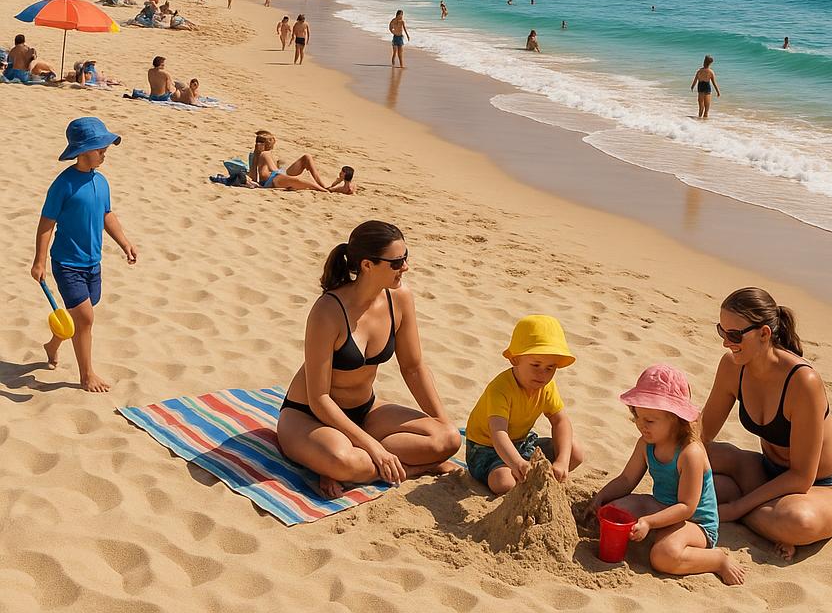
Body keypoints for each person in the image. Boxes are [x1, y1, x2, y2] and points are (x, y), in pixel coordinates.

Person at [277, 221, 461, 495]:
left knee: (448, 439)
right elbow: (319, 399)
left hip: (366, 410)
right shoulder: (328, 311)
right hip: (310, 416)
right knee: (343, 460)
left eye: (405, 258)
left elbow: (413, 368)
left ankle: (356, 467)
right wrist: (373, 447)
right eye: (397, 263)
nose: (405, 268)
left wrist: (441, 423)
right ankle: (410, 468)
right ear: (367, 265)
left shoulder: (399, 298)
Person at [701, 288, 832, 560]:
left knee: (798, 522)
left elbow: (801, 477)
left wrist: (736, 508)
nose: (726, 342)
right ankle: (763, 518)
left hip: (820, 487)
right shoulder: (732, 366)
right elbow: (701, 434)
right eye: (721, 332)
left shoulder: (803, 381)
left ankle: (749, 511)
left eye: (734, 335)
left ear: (764, 334)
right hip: (766, 472)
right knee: (691, 454)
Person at [589, 365, 744, 584]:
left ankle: (717, 560)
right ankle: (653, 531)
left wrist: (649, 523)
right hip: (662, 506)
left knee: (663, 556)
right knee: (614, 510)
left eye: (650, 421)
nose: (642, 426)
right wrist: (602, 497)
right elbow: (626, 479)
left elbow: (686, 507)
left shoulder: (690, 453)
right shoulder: (646, 444)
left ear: (676, 419)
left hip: (696, 524)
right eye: (637, 417)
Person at [30, 118, 137, 392]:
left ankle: (53, 343)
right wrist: (39, 261)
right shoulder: (63, 184)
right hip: (66, 263)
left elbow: (106, 214)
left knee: (80, 314)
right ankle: (86, 374)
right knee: (86, 318)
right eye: (100, 147)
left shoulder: (101, 182)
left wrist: (124, 242)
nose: (104, 152)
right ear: (82, 150)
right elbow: (46, 223)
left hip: (93, 262)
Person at [465, 315, 583, 496]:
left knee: (575, 452)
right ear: (515, 359)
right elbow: (498, 434)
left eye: (550, 368)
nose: (542, 374)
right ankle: (524, 475)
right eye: (536, 364)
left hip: (521, 442)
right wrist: (517, 463)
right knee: (503, 482)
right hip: (486, 449)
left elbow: (560, 421)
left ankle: (538, 476)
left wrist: (562, 461)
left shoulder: (546, 386)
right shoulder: (501, 388)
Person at [250, 131, 355, 193]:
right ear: (268, 143)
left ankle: (324, 186)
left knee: (306, 157)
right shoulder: (265, 154)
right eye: (273, 142)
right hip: (273, 179)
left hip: (277, 176)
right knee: (299, 180)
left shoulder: (257, 154)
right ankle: (326, 190)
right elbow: (275, 171)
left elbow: (254, 176)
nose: (274, 144)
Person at [690, 55, 721, 120]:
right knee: (707, 107)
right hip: (707, 88)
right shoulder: (711, 72)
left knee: (701, 106)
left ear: (704, 61)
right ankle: (704, 122)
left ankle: (699, 118)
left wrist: (692, 86)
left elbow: (695, 80)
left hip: (700, 87)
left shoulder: (699, 71)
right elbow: (714, 83)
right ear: (710, 63)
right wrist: (718, 91)